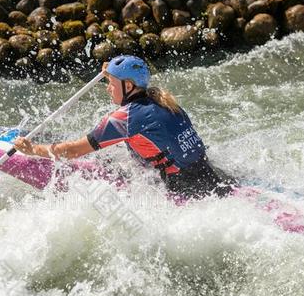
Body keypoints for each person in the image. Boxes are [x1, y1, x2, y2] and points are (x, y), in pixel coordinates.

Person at [13, 55, 235, 199]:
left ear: (128, 85)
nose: (107, 88)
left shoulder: (124, 118)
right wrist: (111, 72)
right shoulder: (162, 99)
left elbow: (72, 151)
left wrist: (32, 150)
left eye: (110, 83)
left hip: (181, 187)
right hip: (207, 172)